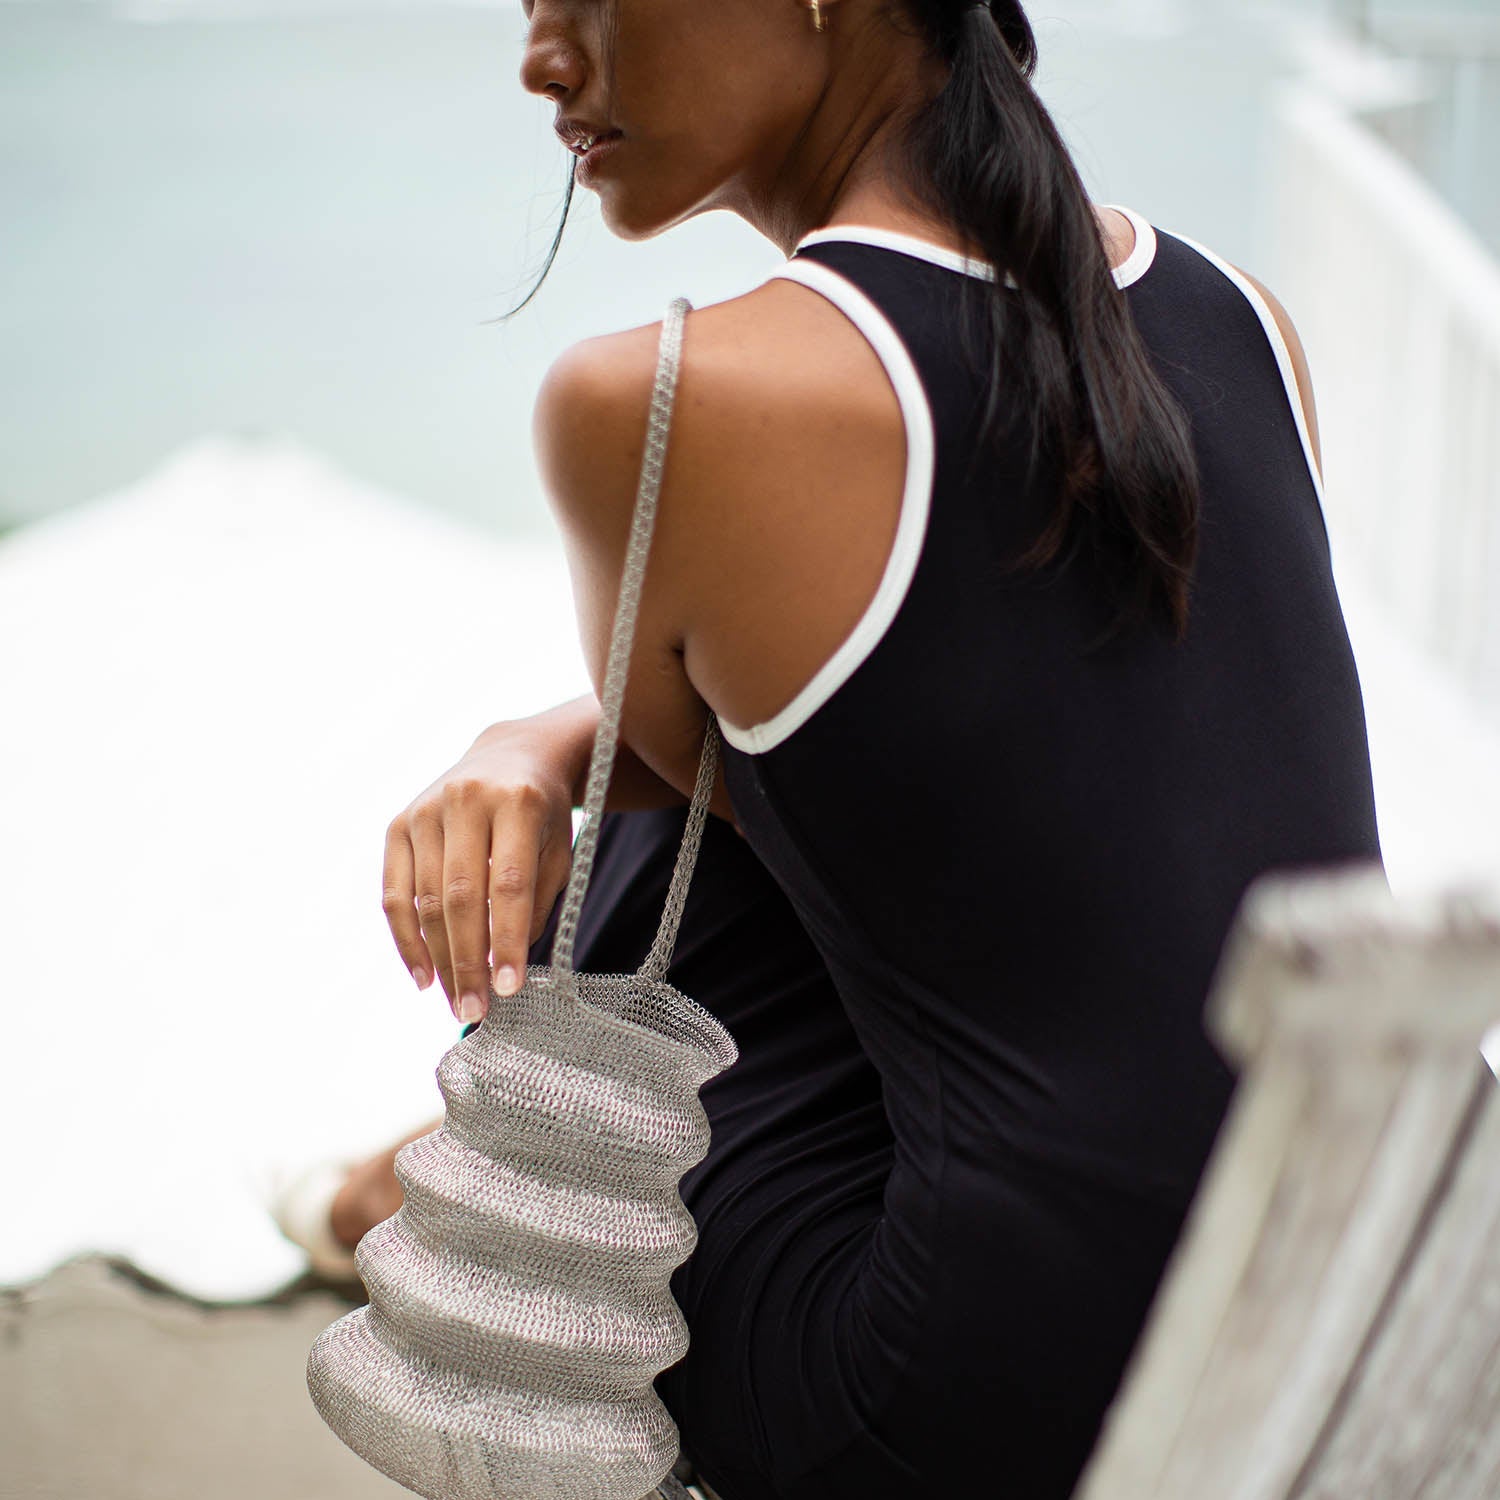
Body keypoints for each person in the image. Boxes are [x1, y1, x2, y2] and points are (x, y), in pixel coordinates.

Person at [353, 2, 1388, 1496]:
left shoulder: (662, 400)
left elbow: (706, 776)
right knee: (815, 762)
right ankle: (383, 1184)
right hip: (1320, 1315)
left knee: (670, 855)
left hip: (957, 1396)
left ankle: (415, 1194)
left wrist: (539, 751)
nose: (543, 58)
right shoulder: (1241, 317)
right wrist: (534, 740)